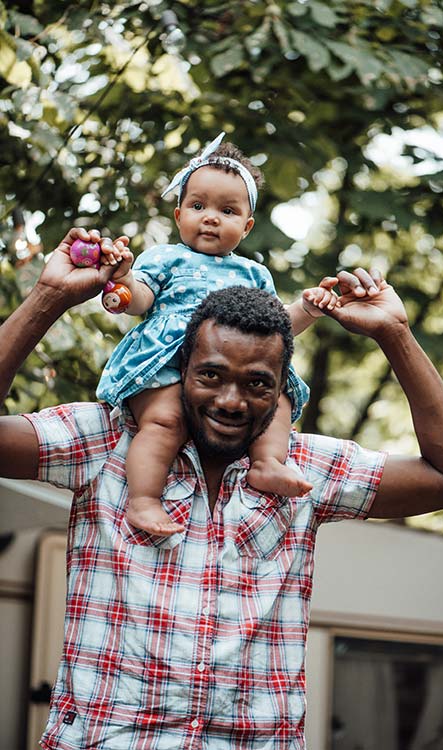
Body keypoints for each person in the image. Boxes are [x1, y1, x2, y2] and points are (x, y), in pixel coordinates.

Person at [0, 227, 443, 750]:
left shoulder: (304, 468)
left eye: (257, 383)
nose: (232, 401)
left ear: (283, 390)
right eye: (210, 375)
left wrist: (395, 334)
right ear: (179, 367)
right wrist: (48, 298)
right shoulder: (105, 441)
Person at [96, 133, 348, 536]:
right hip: (166, 362)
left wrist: (308, 309)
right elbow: (141, 297)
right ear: (179, 216)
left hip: (237, 367)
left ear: (247, 226)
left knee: (279, 399)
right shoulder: (165, 257)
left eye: (227, 211)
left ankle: (267, 464)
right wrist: (123, 282)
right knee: (164, 421)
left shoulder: (253, 274)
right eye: (198, 206)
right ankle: (144, 499)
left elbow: (274, 330)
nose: (210, 217)